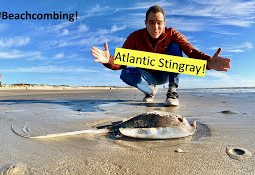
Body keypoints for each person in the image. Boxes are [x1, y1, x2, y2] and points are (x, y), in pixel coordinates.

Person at [91, 5, 230, 106]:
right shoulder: (135, 37)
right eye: (151, 23)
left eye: (159, 23)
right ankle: (150, 90)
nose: (155, 27)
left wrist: (209, 63)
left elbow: (191, 51)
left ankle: (172, 90)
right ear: (145, 23)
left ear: (164, 23)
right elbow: (121, 62)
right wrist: (108, 60)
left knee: (176, 46)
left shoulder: (173, 34)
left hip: (166, 73)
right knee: (125, 73)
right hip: (147, 75)